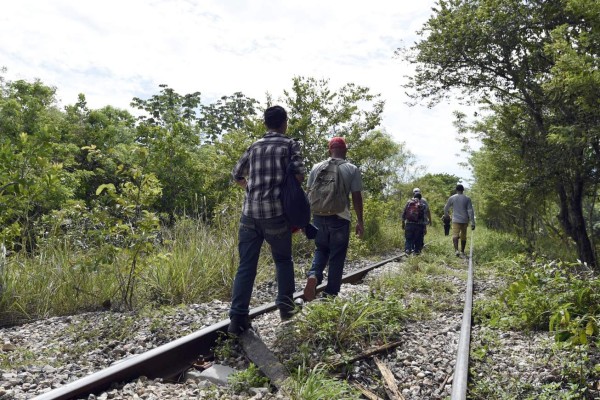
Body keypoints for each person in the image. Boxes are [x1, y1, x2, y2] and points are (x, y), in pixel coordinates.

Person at [228, 105, 305, 335]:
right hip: (275, 215)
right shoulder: (290, 144)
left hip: (249, 215)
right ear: (285, 123)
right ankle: (285, 308)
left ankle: (237, 318)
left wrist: (249, 186)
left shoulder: (254, 146)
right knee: (282, 261)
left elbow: (236, 174)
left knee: (246, 266)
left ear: (265, 124)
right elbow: (300, 176)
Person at [303, 137, 364, 302]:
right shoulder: (351, 169)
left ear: (330, 150)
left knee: (321, 249)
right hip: (340, 218)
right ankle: (330, 295)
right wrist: (360, 221)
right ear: (345, 150)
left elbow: (308, 194)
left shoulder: (316, 167)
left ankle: (314, 275)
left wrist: (305, 220)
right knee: (337, 255)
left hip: (318, 217)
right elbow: (357, 197)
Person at [443, 184, 475, 257]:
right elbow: (470, 211)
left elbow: (446, 208)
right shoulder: (467, 198)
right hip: (464, 220)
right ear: (463, 190)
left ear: (456, 190)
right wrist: (472, 222)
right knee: (463, 236)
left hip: (455, 220)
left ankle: (456, 250)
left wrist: (446, 215)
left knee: (455, 235)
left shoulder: (452, 198)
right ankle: (462, 252)